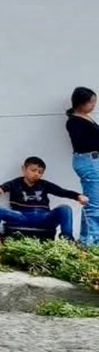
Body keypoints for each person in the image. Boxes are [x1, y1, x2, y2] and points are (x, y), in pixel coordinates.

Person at [0, 156, 85, 241]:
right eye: (33, 170)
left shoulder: (45, 185)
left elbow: (61, 191)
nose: (36, 174)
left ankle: (67, 241)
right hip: (20, 216)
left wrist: (78, 196)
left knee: (65, 209)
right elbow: (2, 187)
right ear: (24, 169)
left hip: (43, 217)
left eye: (40, 172)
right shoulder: (15, 183)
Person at [67, 86, 99, 246]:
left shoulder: (86, 117)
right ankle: (92, 243)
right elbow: (81, 143)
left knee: (92, 201)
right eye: (92, 102)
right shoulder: (74, 121)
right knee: (94, 204)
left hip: (93, 161)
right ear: (81, 103)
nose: (94, 105)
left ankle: (87, 240)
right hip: (87, 161)